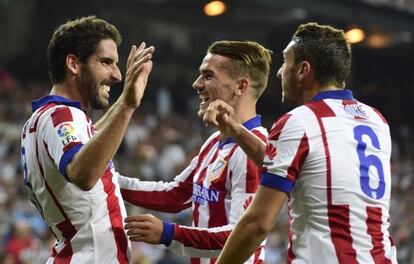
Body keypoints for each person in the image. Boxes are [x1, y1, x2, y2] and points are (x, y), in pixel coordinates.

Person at [200, 23, 398, 263]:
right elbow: (298, 166)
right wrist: (236, 129)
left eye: (286, 61)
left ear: (303, 70)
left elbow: (258, 224)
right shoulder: (376, 120)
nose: (280, 72)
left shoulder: (300, 121)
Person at [120, 40, 272, 263]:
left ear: (240, 86)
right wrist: (107, 180)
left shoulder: (253, 151)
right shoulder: (214, 142)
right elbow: (177, 195)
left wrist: (167, 233)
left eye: (208, 76)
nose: (196, 84)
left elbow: (241, 237)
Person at [20, 16, 154, 263]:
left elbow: (87, 142)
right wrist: (126, 105)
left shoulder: (43, 119)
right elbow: (83, 173)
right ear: (73, 63)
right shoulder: (62, 115)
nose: (117, 75)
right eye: (106, 62)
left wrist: (126, 100)